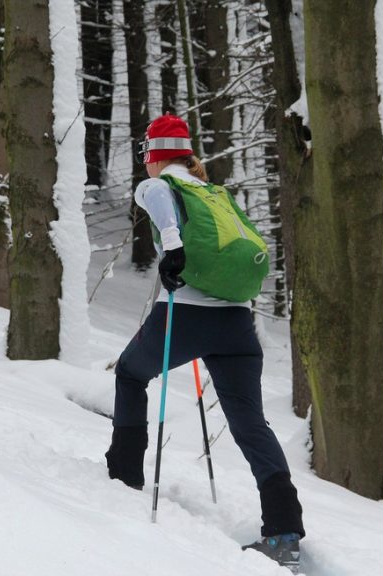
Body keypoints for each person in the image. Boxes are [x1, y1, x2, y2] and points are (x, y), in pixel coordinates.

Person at [104, 114, 305, 572]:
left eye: (146, 156)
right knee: (250, 422)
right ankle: (284, 530)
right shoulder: (213, 192)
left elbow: (153, 196)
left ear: (153, 155)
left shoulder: (160, 184)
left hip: (186, 315)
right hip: (236, 323)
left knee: (130, 374)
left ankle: (124, 476)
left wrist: (172, 249)